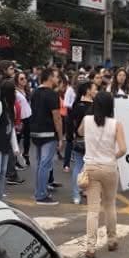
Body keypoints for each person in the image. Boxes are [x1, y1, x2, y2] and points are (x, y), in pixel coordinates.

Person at [79, 92, 128, 258]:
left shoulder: (87, 120)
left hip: (91, 167)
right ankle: (112, 239)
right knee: (110, 205)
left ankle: (91, 247)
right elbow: (123, 149)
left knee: (92, 209)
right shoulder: (116, 124)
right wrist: (112, 156)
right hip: (109, 168)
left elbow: (79, 132)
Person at [30, 68, 64, 206]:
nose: (58, 79)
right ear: (50, 77)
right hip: (49, 133)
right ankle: (41, 195)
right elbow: (57, 117)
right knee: (45, 164)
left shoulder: (34, 92)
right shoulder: (52, 94)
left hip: (35, 132)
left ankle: (39, 191)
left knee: (40, 164)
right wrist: (60, 137)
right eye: (56, 76)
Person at [68, 81, 95, 205]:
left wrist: (71, 136)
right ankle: (87, 191)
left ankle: (76, 194)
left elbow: (70, 121)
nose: (95, 91)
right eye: (94, 89)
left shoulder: (76, 104)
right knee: (91, 168)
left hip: (78, 139)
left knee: (78, 167)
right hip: (92, 141)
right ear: (88, 91)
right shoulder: (94, 106)